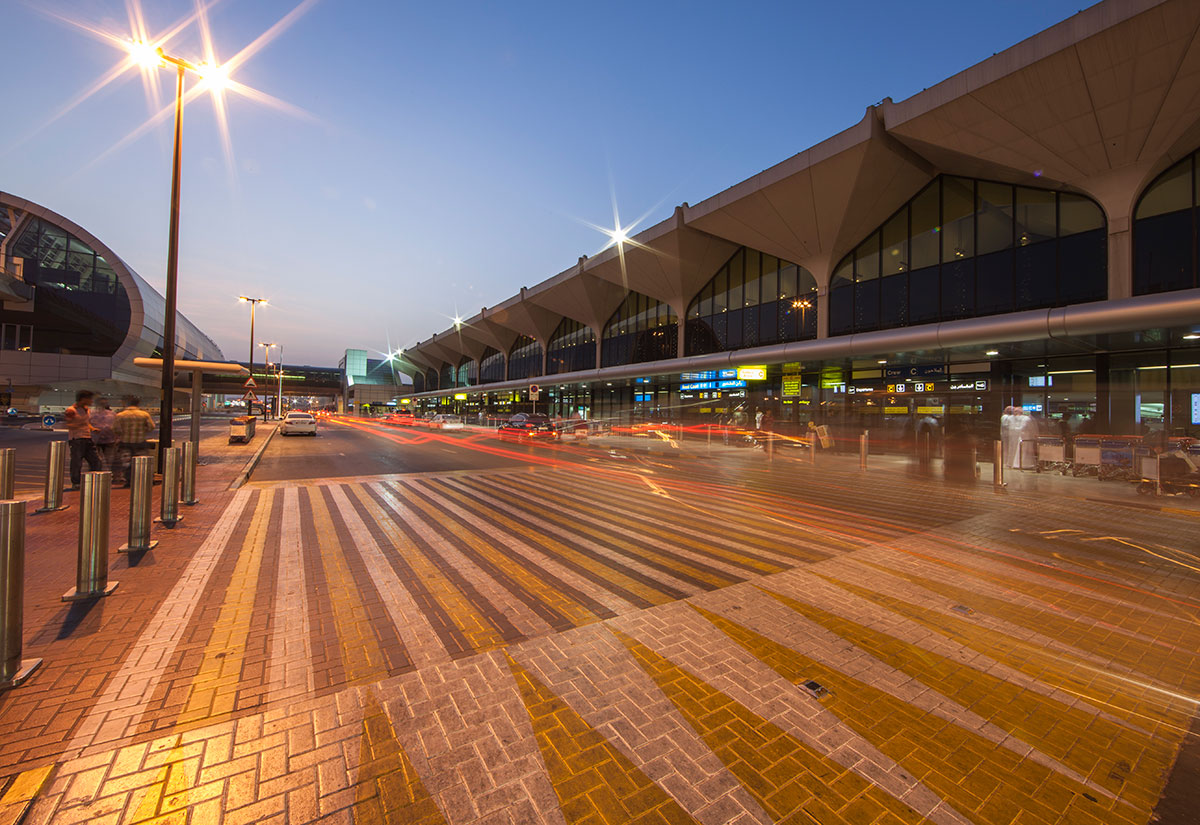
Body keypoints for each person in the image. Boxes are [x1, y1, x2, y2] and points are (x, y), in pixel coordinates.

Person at [114, 396, 156, 487]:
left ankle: (129, 481)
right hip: (140, 442)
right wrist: (142, 431)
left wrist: (124, 433)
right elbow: (151, 427)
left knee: (127, 463)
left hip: (125, 443)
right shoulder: (144, 414)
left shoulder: (120, 415)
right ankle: (147, 480)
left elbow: (115, 429)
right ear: (138, 403)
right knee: (143, 462)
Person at [63, 389, 101, 490]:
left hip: (88, 438)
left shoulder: (86, 409)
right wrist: (80, 424)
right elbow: (68, 424)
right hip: (76, 439)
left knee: (96, 461)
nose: (91, 401)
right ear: (83, 399)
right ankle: (76, 483)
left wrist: (92, 429)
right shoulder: (71, 410)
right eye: (90, 399)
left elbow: (87, 423)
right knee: (77, 462)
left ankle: (94, 480)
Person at [90, 398, 117, 472]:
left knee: (96, 459)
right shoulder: (112, 414)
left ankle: (98, 473)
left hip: (97, 439)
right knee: (108, 460)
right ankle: (107, 474)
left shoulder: (91, 413)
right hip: (109, 439)